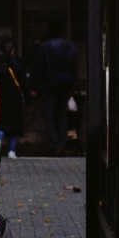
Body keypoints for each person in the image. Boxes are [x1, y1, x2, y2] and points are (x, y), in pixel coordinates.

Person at [32, 25, 78, 155]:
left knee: (49, 115)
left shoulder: (45, 47)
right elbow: (74, 68)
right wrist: (72, 85)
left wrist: (33, 86)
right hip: (65, 85)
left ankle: (53, 144)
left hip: (49, 84)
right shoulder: (71, 47)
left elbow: (37, 68)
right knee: (62, 114)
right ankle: (62, 143)